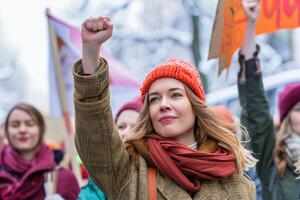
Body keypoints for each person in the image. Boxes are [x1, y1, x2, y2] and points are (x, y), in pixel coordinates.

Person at [73, 9, 257, 200]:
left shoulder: (236, 182)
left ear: (196, 106)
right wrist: (91, 50)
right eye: (154, 99)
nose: (163, 104)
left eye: (175, 95)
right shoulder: (131, 169)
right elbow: (95, 135)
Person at [237, 0, 300, 199]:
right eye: (298, 109)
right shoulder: (273, 160)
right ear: (287, 118)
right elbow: (255, 107)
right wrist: (250, 26)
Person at [0, 103, 80, 200]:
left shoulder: (64, 178)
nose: (22, 130)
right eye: (15, 125)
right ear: (7, 131)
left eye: (30, 124)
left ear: (41, 129)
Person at [78, 98, 142, 200]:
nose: (125, 133)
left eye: (135, 128)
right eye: (121, 126)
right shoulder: (99, 175)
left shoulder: (155, 175)